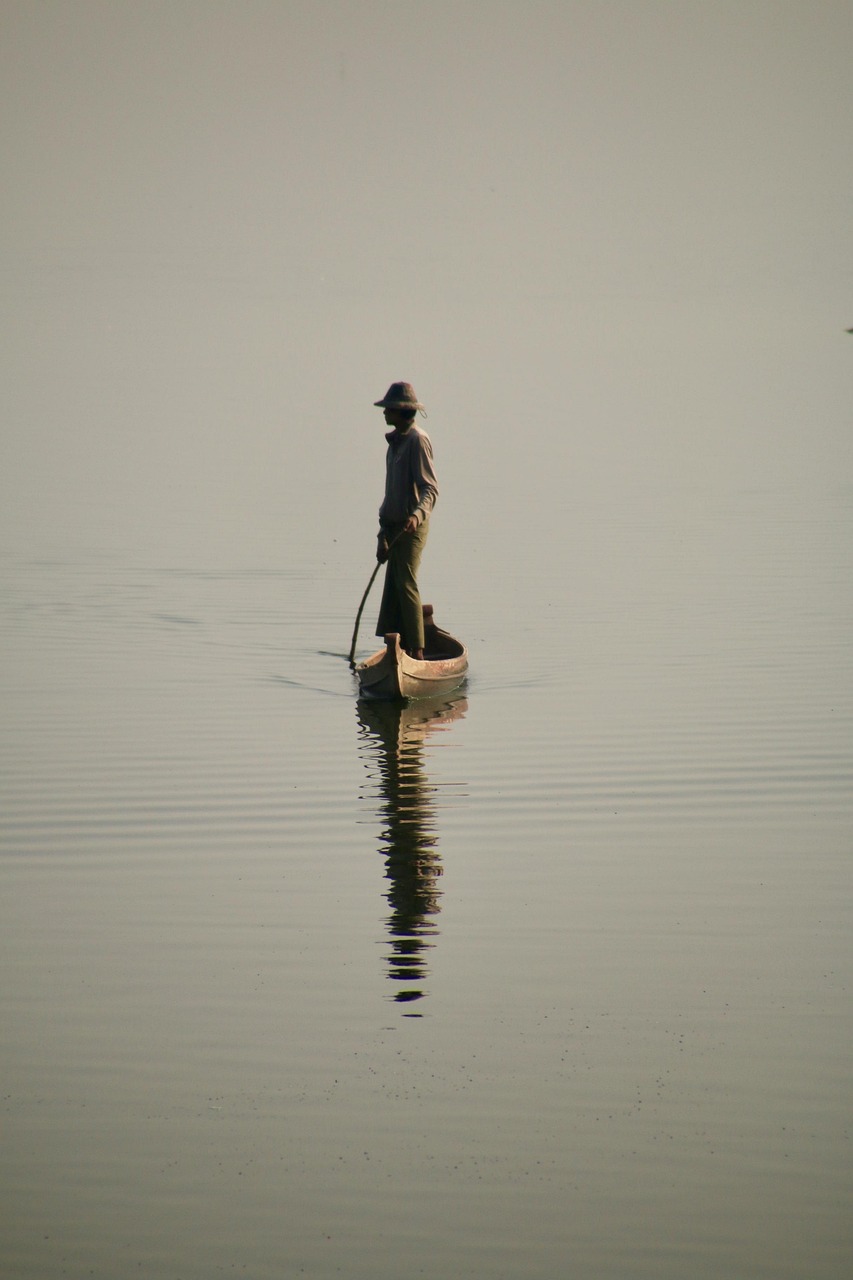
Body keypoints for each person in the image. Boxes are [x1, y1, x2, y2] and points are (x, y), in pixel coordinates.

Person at [373, 381, 438, 660]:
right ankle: (400, 646)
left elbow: (430, 489)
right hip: (393, 527)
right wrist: (382, 535)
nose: (385, 413)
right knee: (392, 586)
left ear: (401, 411)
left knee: (406, 583)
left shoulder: (417, 440)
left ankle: (419, 653)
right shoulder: (394, 445)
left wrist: (416, 515)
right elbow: (390, 497)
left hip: (412, 527)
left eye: (389, 409)